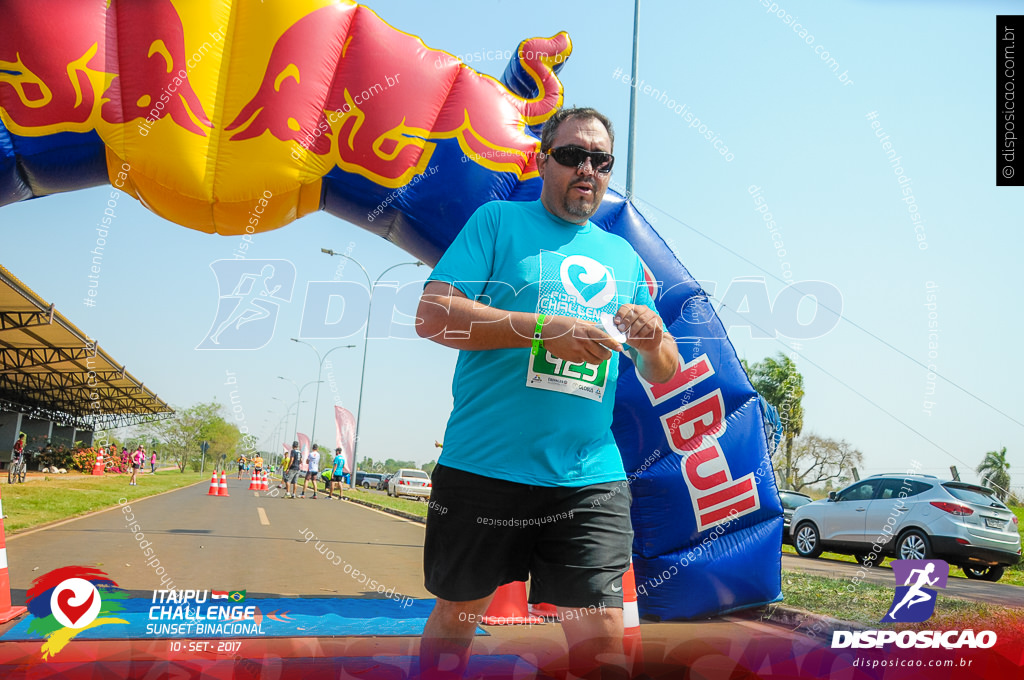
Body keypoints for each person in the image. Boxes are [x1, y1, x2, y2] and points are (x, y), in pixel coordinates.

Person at [415, 107, 678, 680]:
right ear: (541, 160)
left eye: (600, 160)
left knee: (604, 636)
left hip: (587, 475)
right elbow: (434, 316)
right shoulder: (496, 222)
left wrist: (654, 337)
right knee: (459, 616)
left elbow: (662, 369)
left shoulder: (624, 259)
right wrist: (540, 328)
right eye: (571, 155)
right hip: (485, 466)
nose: (587, 168)